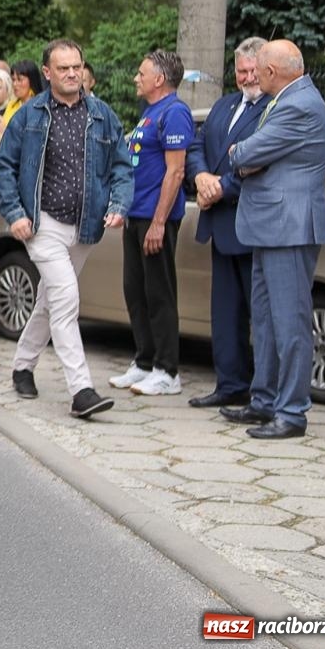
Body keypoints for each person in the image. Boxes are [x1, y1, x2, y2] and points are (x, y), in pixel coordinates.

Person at [0, 39, 133, 419]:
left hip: (85, 227)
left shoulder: (103, 115)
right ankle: (81, 390)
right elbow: (4, 167)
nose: (72, 73)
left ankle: (22, 365)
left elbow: (123, 167)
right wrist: (15, 212)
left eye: (77, 66)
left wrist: (119, 204)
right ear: (48, 73)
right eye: (64, 68)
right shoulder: (28, 116)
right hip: (43, 225)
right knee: (67, 298)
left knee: (50, 299)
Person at [221, 40, 325, 439]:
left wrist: (243, 155)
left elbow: (245, 152)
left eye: (260, 68)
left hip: (289, 226)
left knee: (290, 323)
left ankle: (292, 413)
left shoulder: (299, 104)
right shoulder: (289, 99)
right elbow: (252, 157)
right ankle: (264, 401)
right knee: (266, 322)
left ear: (272, 72)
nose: (255, 74)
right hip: (271, 226)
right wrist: (248, 158)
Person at [184, 38, 270, 409]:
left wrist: (221, 187)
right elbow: (196, 145)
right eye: (241, 70)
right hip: (220, 225)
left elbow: (265, 162)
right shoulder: (224, 105)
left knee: (260, 316)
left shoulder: (274, 108)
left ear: (267, 70)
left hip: (252, 225)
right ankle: (230, 384)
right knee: (225, 313)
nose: (247, 77)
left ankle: (264, 393)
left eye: (253, 70)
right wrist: (202, 177)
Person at [108, 50, 194, 397]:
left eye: (141, 73)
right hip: (136, 215)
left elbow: (176, 172)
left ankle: (167, 370)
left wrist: (159, 223)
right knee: (136, 292)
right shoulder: (150, 113)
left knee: (159, 294)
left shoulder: (175, 113)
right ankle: (144, 362)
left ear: (159, 79)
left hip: (155, 219)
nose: (135, 78)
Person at [2, 60, 44, 127]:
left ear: (32, 80)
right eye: (13, 80)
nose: (15, 84)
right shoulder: (11, 105)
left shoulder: (41, 106)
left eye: (20, 79)